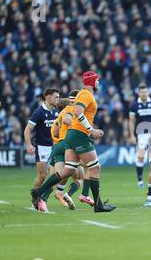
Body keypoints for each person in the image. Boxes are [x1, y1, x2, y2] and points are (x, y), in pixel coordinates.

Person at [30, 71, 116, 212]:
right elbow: (77, 112)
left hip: (72, 135)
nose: (98, 83)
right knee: (94, 168)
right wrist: (91, 129)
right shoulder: (86, 94)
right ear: (92, 81)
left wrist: (91, 129)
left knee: (68, 169)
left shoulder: (84, 94)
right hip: (79, 135)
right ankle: (98, 205)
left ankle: (38, 192)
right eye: (97, 80)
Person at [49, 90, 85, 210]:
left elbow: (55, 132)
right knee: (81, 174)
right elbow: (68, 121)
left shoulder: (57, 118)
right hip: (67, 145)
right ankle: (77, 195)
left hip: (57, 147)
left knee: (59, 177)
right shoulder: (71, 110)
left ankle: (42, 198)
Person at [24, 88, 59, 210]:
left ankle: (43, 198)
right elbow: (27, 129)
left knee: (56, 175)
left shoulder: (57, 110)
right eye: (56, 97)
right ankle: (35, 198)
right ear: (48, 97)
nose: (58, 99)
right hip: (42, 147)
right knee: (42, 175)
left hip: (55, 147)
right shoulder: (39, 112)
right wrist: (28, 145)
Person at [128, 84, 151, 189]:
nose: (144, 94)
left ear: (148, 92)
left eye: (145, 92)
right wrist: (132, 135)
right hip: (141, 134)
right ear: (139, 93)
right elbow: (131, 121)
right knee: (141, 156)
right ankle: (140, 180)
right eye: (142, 92)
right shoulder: (134, 105)